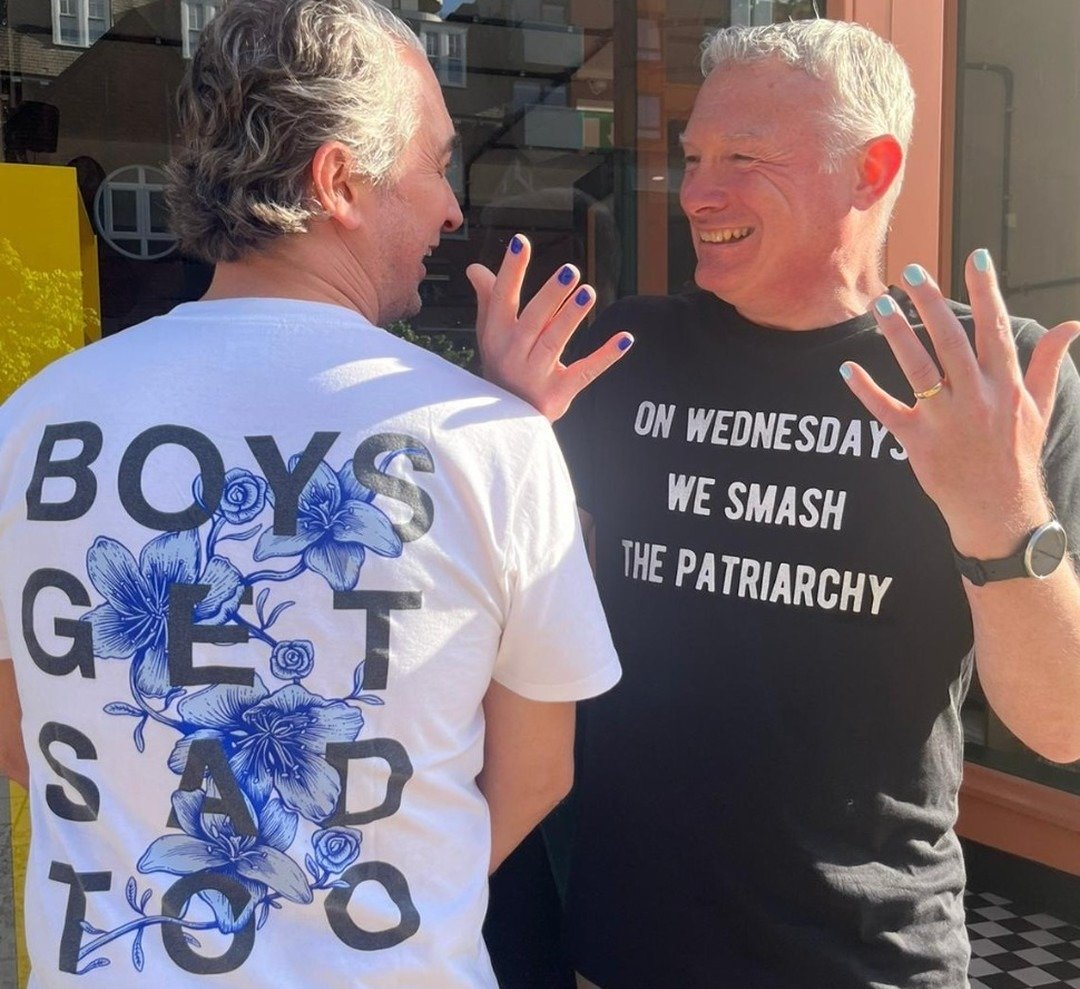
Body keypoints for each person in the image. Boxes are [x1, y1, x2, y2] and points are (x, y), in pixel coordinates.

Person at [0, 1, 622, 985]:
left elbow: (23, 720)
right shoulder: (495, 443)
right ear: (338, 179)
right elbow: (538, 770)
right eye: (433, 163)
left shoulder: (31, 423)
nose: (452, 209)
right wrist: (336, 911)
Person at [470, 19, 1080, 989]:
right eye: (696, 155)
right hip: (630, 948)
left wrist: (1001, 512)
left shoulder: (981, 386)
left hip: (868, 955)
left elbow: (1062, 725)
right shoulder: (617, 359)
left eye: (745, 158)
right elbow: (518, 638)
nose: (698, 192)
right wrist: (506, 438)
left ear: (871, 171)